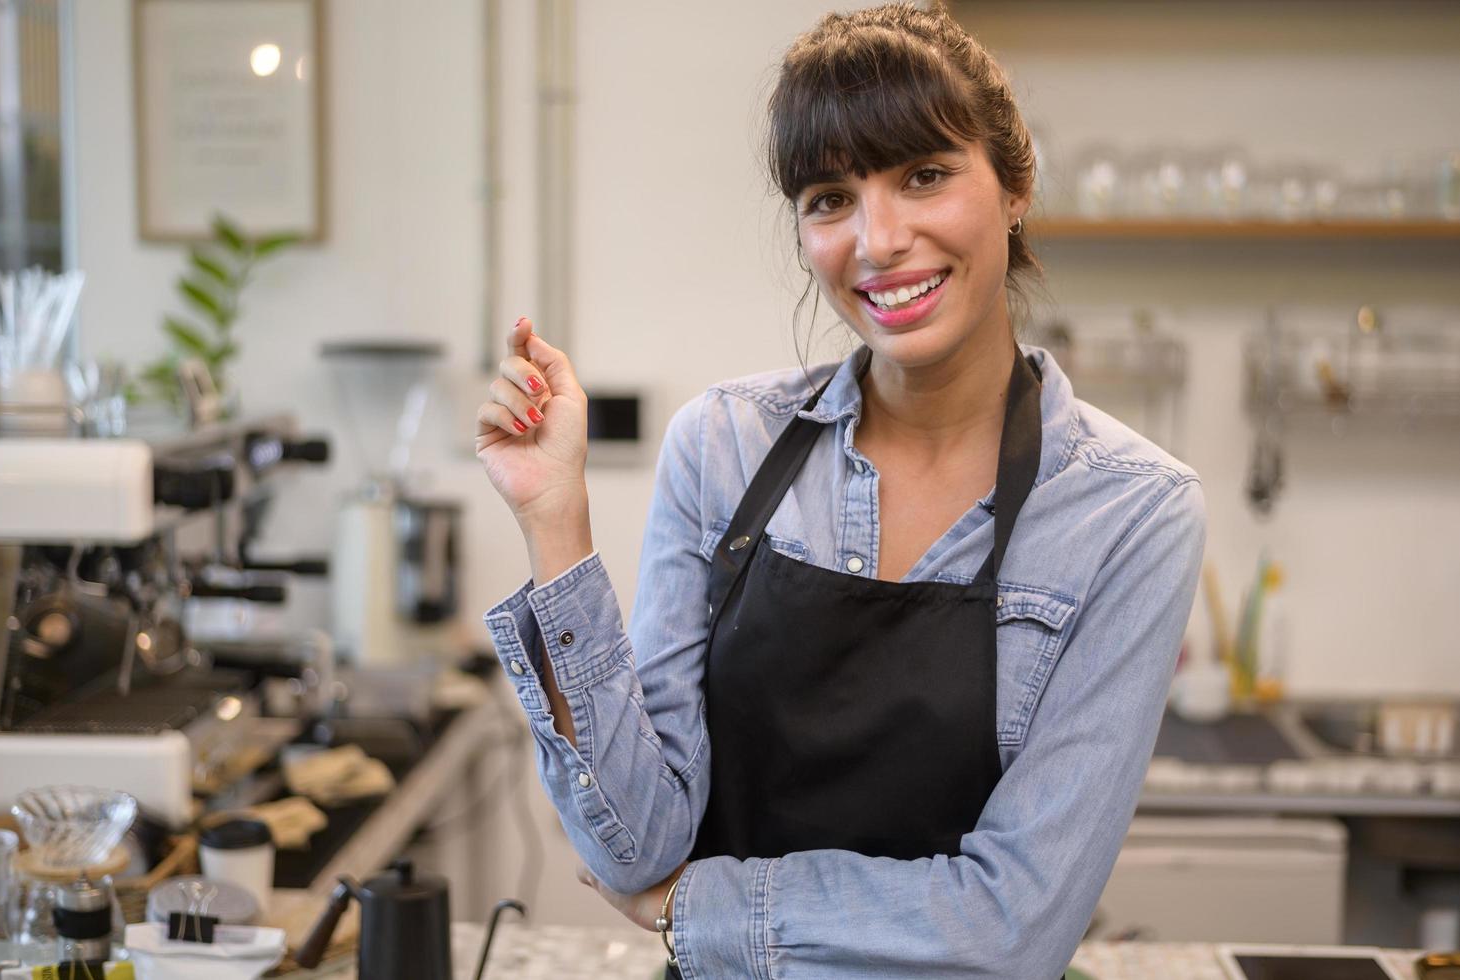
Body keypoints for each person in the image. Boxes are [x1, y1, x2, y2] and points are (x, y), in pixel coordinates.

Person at [475, 3, 1206, 977]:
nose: (879, 238)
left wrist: (697, 905)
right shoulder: (722, 448)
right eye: (830, 197)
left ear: (1016, 182)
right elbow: (634, 843)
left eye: (925, 175)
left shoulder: (1132, 511)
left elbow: (1013, 926)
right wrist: (552, 516)